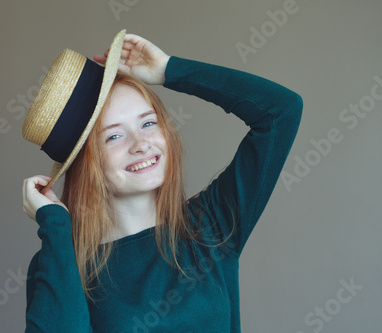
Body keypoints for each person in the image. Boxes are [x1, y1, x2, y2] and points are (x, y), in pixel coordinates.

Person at [22, 29, 302, 332]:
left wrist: (171, 70)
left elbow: (280, 111)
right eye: (114, 136)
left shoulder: (210, 225)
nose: (141, 143)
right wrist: (54, 225)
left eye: (148, 122)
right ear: (85, 164)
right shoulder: (59, 260)